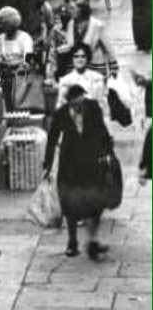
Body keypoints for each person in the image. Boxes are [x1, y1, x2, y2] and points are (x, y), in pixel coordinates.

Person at [43, 84, 113, 260]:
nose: (79, 104)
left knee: (96, 202)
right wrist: (48, 164)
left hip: (92, 161)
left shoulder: (93, 107)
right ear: (69, 102)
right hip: (70, 165)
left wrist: (108, 153)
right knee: (70, 204)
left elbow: (103, 131)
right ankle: (72, 242)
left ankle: (92, 240)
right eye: (75, 102)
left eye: (81, 99)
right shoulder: (61, 114)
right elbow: (52, 139)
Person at [0, 7, 34, 111]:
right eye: (0, 23)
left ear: (11, 23)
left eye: (3, 23)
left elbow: (28, 61)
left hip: (20, 78)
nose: (1, 26)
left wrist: (13, 64)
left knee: (19, 108)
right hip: (4, 77)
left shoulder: (25, 38)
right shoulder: (0, 38)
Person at [71, 0, 119, 79]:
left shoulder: (96, 24)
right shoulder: (72, 24)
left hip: (97, 65)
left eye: (73, 8)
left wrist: (113, 65)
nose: (70, 11)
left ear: (81, 10)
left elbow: (108, 46)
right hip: (81, 65)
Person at [56, 43, 105, 116]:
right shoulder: (65, 81)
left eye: (83, 57)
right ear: (72, 59)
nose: (79, 59)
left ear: (87, 58)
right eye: (76, 56)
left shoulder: (97, 78)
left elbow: (101, 105)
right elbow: (60, 106)